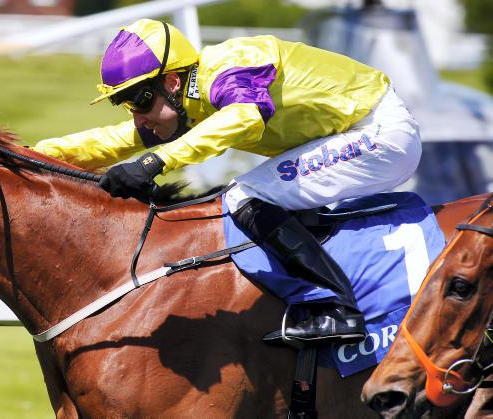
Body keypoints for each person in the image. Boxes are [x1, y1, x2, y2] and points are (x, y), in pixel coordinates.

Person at [32, 19, 421, 345]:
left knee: (244, 196)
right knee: (255, 195)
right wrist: (29, 153)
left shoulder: (230, 66)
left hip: (380, 132)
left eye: (139, 100)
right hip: (348, 132)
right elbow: (114, 142)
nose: (137, 117)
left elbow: (245, 115)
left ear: (170, 81)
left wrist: (157, 160)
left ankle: (338, 308)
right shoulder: (189, 101)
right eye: (127, 104)